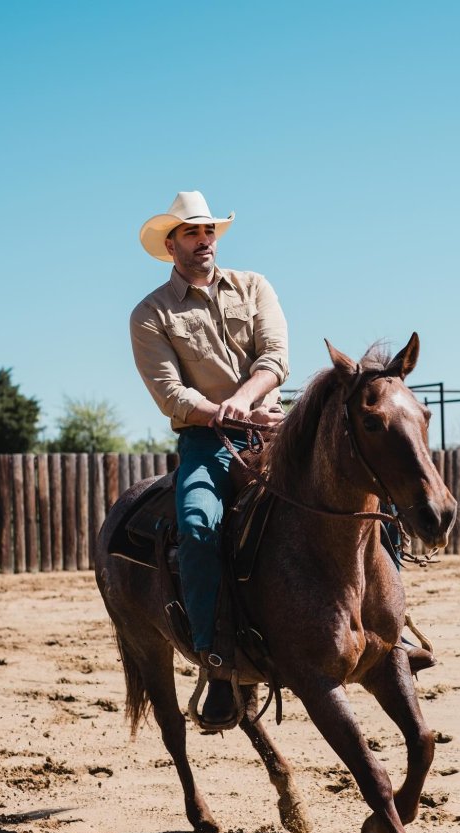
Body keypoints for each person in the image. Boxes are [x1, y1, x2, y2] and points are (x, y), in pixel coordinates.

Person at [131, 190, 289, 727]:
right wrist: (225, 414)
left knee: (358, 490)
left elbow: (275, 357)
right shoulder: (151, 313)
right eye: (191, 233)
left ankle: (390, 628)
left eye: (208, 231)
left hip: (274, 429)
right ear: (170, 245)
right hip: (207, 443)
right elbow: (170, 393)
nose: (203, 240)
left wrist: (246, 402)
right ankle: (216, 663)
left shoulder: (255, 286)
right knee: (198, 527)